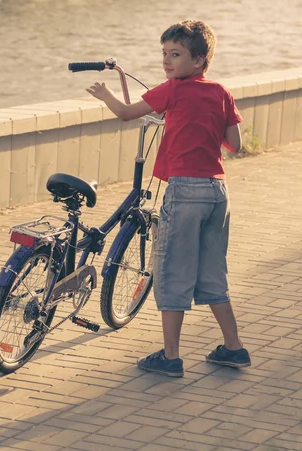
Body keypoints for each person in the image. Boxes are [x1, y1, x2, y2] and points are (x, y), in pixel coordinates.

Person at [86, 20, 251, 377]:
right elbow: (235, 144)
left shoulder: (174, 90)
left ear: (199, 60)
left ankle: (171, 356)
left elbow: (127, 113)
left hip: (185, 191)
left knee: (172, 269)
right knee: (212, 272)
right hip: (216, 192)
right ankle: (234, 348)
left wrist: (105, 94)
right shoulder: (221, 92)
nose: (167, 61)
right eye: (164, 54)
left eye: (175, 55)